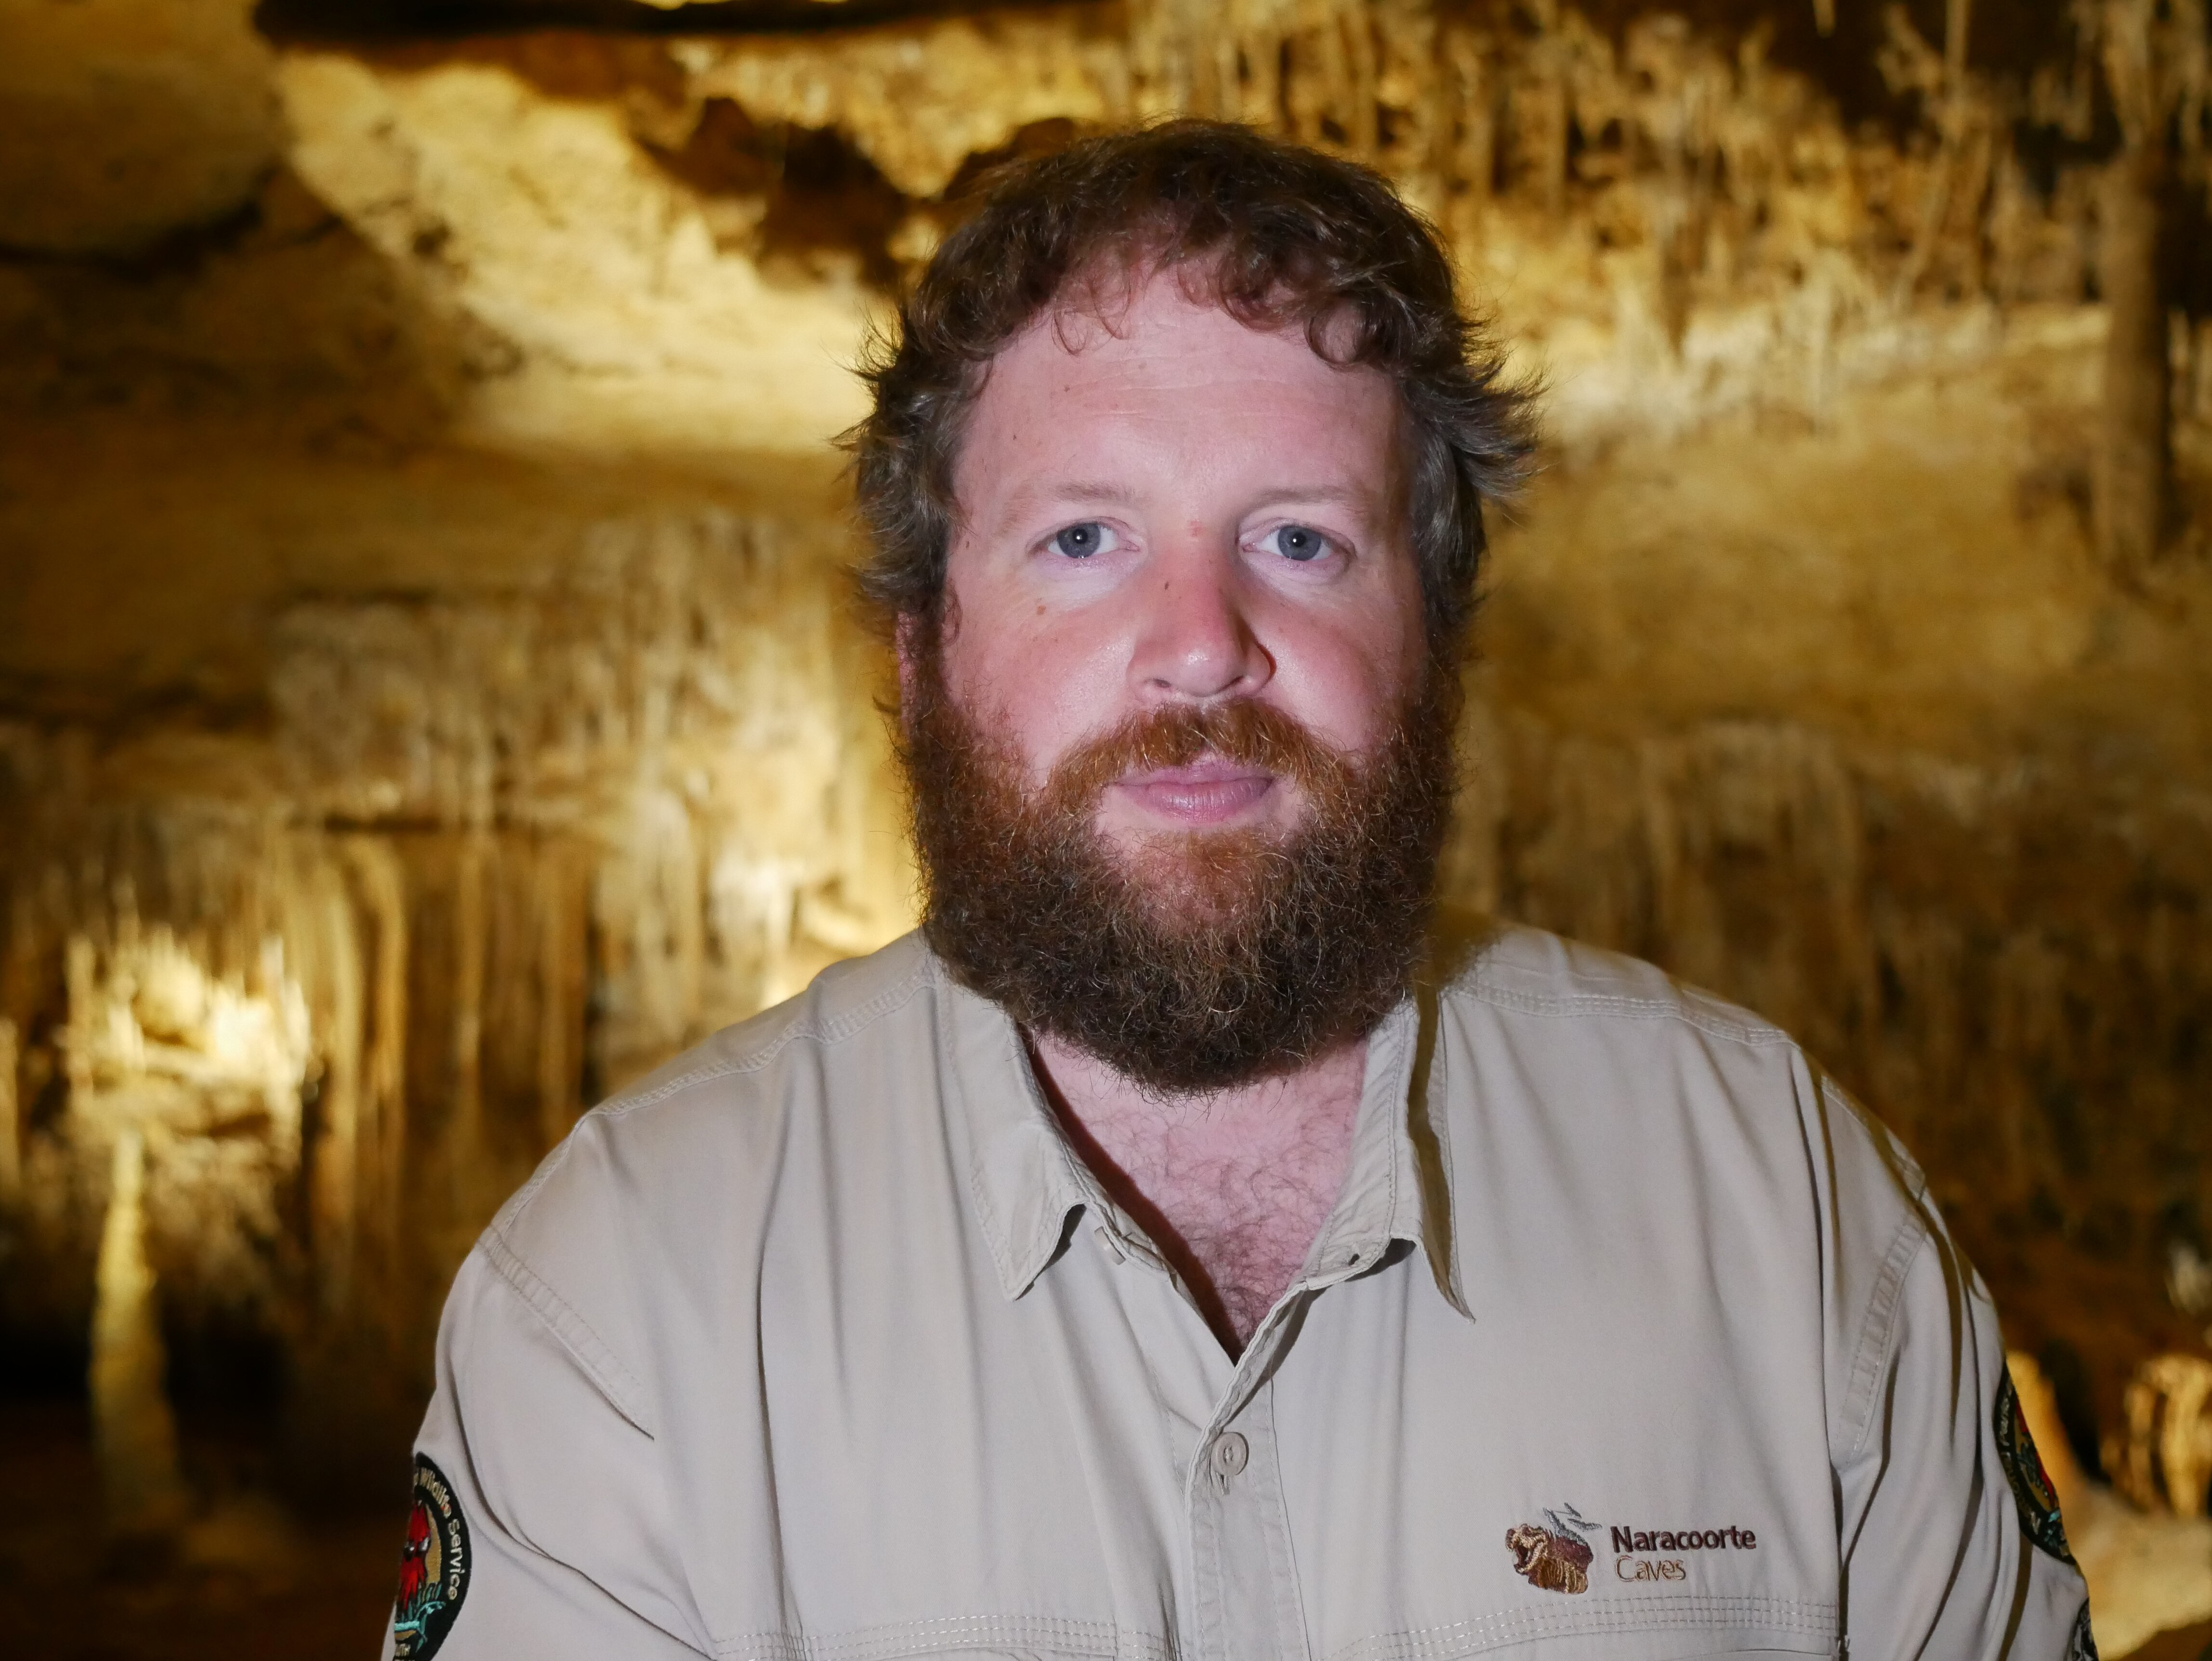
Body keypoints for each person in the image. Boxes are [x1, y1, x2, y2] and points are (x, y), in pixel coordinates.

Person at [385, 121, 2095, 1661]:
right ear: (916, 658)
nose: (1202, 643)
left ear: (1435, 645)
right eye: (1083, 541)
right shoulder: (632, 1294)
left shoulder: (1785, 1215)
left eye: (1298, 539)